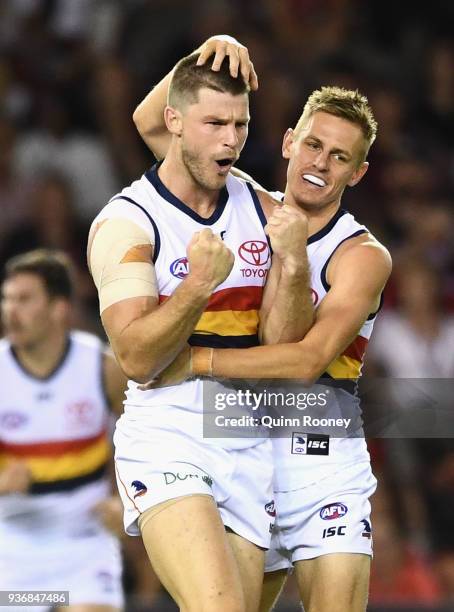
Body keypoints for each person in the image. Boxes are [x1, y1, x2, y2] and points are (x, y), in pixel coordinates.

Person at [134, 36, 392, 612]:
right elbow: (155, 122)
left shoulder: (362, 255)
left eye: (340, 157)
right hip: (243, 444)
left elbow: (303, 362)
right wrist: (206, 54)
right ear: (287, 143)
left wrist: (197, 362)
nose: (320, 164)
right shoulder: (248, 202)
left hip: (320, 452)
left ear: (358, 173)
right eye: (313, 145)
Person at [87, 38, 312, 612]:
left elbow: (283, 349)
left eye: (240, 124)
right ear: (174, 125)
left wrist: (293, 265)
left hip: (250, 428)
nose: (231, 139)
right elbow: (137, 358)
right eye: (214, 123)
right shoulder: (128, 222)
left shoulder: (263, 209)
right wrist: (195, 287)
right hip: (169, 427)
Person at [0, 249, 126, 612]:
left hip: (85, 544)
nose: (10, 311)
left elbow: (141, 440)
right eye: (6, 299)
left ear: (59, 308)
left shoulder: (103, 369)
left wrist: (128, 501)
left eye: (23, 300)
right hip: (14, 551)